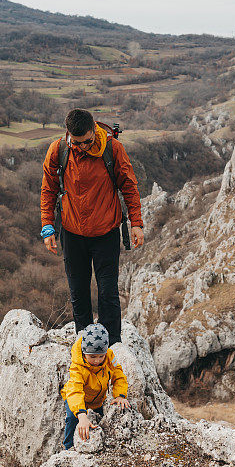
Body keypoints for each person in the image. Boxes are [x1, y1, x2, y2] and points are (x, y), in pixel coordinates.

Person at [40, 108, 144, 345]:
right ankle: (85, 345)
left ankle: (113, 344)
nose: (84, 147)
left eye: (88, 141)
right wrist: (48, 225)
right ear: (69, 135)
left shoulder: (112, 148)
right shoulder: (59, 151)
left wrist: (136, 223)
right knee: (78, 293)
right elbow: (48, 189)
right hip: (72, 232)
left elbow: (129, 186)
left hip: (106, 233)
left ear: (94, 129)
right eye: (78, 143)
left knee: (108, 293)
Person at [60, 323, 130, 449]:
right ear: (84, 351)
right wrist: (81, 415)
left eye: (100, 356)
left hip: (97, 401)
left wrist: (120, 395)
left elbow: (118, 375)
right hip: (75, 399)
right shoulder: (77, 367)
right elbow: (75, 390)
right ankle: (68, 447)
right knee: (72, 419)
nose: (97, 360)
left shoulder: (109, 356)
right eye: (92, 356)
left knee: (101, 421)